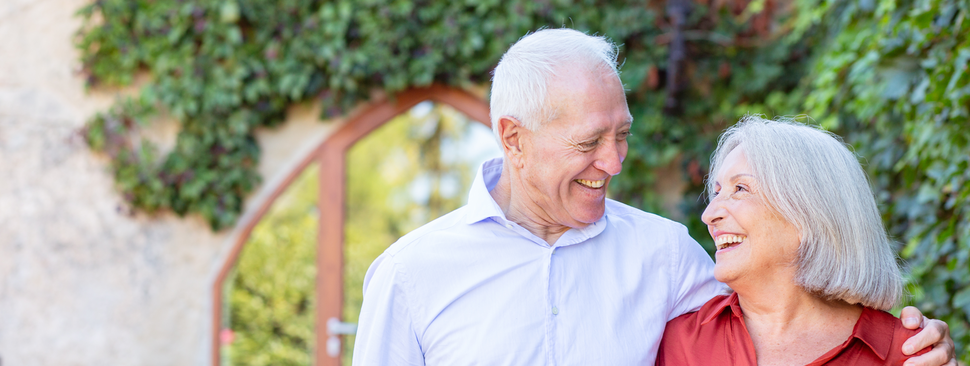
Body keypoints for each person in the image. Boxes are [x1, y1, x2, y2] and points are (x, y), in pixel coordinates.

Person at [352, 28, 955, 366]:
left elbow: (786, 294)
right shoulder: (410, 274)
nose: (613, 163)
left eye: (622, 136)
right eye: (589, 141)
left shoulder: (667, 255)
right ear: (514, 137)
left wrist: (921, 345)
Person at [656, 116, 940, 365]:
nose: (709, 214)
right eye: (716, 193)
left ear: (808, 213)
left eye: (740, 188)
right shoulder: (677, 343)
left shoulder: (910, 353)